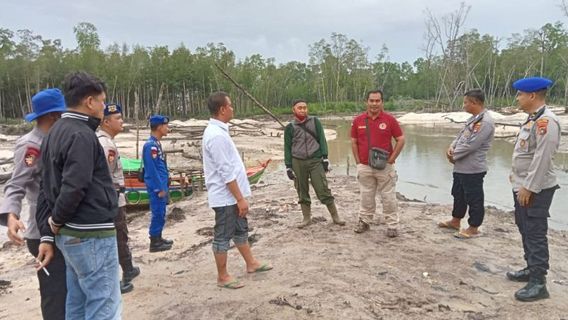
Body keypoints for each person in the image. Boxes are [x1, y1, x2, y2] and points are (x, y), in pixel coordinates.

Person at [36, 71, 122, 319]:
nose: (104, 107)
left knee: (78, 300)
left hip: (72, 234)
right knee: (104, 304)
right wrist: (55, 221)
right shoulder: (81, 134)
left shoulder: (55, 131)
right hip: (90, 232)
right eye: (102, 101)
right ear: (89, 102)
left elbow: (46, 185)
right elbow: (75, 186)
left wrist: (51, 229)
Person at [0, 88, 67, 320]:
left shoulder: (58, 140)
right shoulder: (31, 146)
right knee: (55, 294)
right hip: (41, 234)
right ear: (53, 116)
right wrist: (11, 215)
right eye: (62, 114)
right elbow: (16, 184)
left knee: (70, 291)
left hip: (61, 227)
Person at [202, 91, 272, 289]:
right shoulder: (215, 136)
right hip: (226, 197)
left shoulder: (220, 131)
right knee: (223, 235)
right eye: (230, 105)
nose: (233, 108)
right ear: (223, 109)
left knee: (241, 229)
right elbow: (225, 171)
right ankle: (222, 276)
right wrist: (240, 198)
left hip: (233, 195)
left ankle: (251, 263)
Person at [506, 77, 560, 302]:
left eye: (519, 94)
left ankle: (539, 283)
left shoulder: (547, 122)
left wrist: (529, 187)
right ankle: (531, 268)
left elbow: (543, 158)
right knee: (525, 228)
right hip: (522, 185)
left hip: (535, 189)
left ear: (532, 96)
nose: (517, 98)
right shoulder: (532, 120)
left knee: (535, 232)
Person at [438, 89, 495, 239]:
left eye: (466, 102)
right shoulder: (473, 119)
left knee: (474, 198)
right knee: (458, 194)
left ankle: (474, 227)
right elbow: (461, 137)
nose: (463, 106)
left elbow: (472, 145)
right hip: (461, 167)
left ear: (475, 102)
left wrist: (454, 156)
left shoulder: (485, 122)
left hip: (473, 168)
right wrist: (451, 148)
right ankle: (455, 220)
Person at [98, 103, 141, 293]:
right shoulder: (105, 144)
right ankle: (116, 280)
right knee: (116, 238)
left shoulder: (107, 141)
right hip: (112, 201)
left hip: (114, 199)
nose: (122, 121)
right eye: (118, 118)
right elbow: (106, 176)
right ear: (106, 122)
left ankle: (127, 269)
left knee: (120, 237)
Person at [351, 90, 405, 237]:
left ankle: (392, 225)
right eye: (371, 100)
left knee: (388, 197)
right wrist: (357, 162)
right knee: (366, 196)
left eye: (377, 101)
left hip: (385, 166)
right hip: (364, 166)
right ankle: (364, 221)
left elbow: (400, 139)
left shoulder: (389, 120)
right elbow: (354, 141)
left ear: (382, 102)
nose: (374, 104)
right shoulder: (358, 120)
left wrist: (392, 158)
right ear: (366, 102)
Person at [284, 99, 345, 228]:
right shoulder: (289, 127)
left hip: (315, 159)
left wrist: (325, 158)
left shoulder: (315, 122)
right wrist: (288, 166)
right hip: (297, 161)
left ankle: (335, 216)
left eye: (305, 107)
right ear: (293, 110)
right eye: (299, 108)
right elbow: (287, 148)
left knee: (322, 188)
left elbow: (322, 140)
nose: (303, 110)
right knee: (302, 190)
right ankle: (306, 218)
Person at [142, 114, 173, 252]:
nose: (168, 128)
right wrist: (159, 187)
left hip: (161, 185)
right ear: (159, 127)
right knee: (158, 213)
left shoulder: (156, 144)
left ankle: (158, 237)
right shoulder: (151, 146)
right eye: (166, 125)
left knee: (161, 212)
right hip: (157, 187)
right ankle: (154, 242)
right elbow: (152, 170)